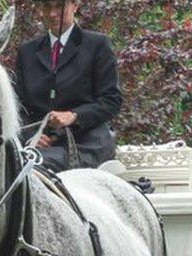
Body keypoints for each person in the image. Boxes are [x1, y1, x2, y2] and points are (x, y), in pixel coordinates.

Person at [14, 0, 123, 171]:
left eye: (59, 6)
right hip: (38, 147)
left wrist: (74, 116)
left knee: (32, 166)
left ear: (75, 5)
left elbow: (111, 101)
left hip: (85, 143)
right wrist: (31, 136)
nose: (52, 14)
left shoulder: (97, 45)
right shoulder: (27, 52)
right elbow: (18, 106)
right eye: (47, 6)